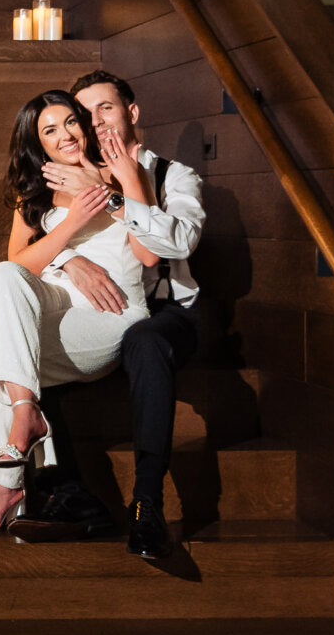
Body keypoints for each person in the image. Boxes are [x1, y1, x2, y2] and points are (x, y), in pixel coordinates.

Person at [0, 90, 158, 537]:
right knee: (2, 279)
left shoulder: (122, 173)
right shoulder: (34, 192)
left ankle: (3, 483)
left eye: (70, 122)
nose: (65, 135)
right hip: (52, 304)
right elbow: (14, 264)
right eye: (50, 130)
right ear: (38, 145)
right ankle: (25, 417)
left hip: (111, 311)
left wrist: (113, 188)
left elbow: (148, 255)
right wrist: (69, 244)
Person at [27, 70, 206, 560]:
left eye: (104, 108)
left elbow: (174, 244)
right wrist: (70, 259)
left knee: (145, 340)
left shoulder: (175, 174)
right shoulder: (67, 170)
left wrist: (111, 192)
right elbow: (38, 237)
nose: (94, 121)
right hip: (100, 304)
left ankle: (147, 502)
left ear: (132, 112)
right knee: (28, 335)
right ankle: (67, 490)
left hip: (166, 311)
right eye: (84, 114)